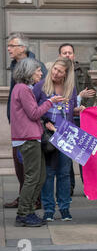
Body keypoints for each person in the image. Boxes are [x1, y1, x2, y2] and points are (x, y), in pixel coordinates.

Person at [10, 58, 64, 227]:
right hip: (28, 139)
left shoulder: (23, 88)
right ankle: (23, 214)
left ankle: (29, 211)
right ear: (29, 72)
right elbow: (34, 113)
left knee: (39, 177)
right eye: (38, 71)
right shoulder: (23, 89)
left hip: (31, 137)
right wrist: (50, 102)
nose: (41, 74)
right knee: (33, 178)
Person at [4, 32, 48, 209]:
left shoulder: (33, 67)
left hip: (30, 129)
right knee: (25, 169)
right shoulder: (17, 68)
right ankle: (26, 205)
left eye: (12, 46)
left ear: (23, 48)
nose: (8, 49)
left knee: (33, 171)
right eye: (8, 46)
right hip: (22, 129)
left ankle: (29, 202)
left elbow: (40, 98)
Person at [33, 57, 79, 222]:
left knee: (65, 173)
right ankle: (49, 210)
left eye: (60, 71)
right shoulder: (40, 87)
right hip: (48, 135)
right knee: (48, 173)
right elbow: (33, 111)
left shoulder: (70, 88)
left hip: (66, 134)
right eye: (54, 69)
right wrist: (47, 124)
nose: (55, 73)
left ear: (66, 74)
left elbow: (69, 110)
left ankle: (65, 208)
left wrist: (77, 110)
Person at [57, 43, 96, 195]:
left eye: (70, 52)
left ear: (74, 55)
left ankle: (87, 186)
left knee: (82, 155)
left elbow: (92, 92)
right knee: (66, 155)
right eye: (64, 53)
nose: (67, 55)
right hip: (65, 119)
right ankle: (69, 186)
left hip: (81, 119)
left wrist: (85, 108)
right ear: (60, 56)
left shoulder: (82, 72)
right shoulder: (57, 73)